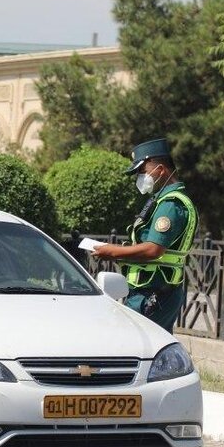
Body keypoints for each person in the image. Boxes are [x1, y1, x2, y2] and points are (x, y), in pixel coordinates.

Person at [92, 138, 198, 333]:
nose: (141, 177)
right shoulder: (164, 200)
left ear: (160, 169)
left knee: (136, 348)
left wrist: (114, 252)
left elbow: (153, 249)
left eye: (143, 171)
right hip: (154, 289)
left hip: (153, 291)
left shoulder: (171, 205)